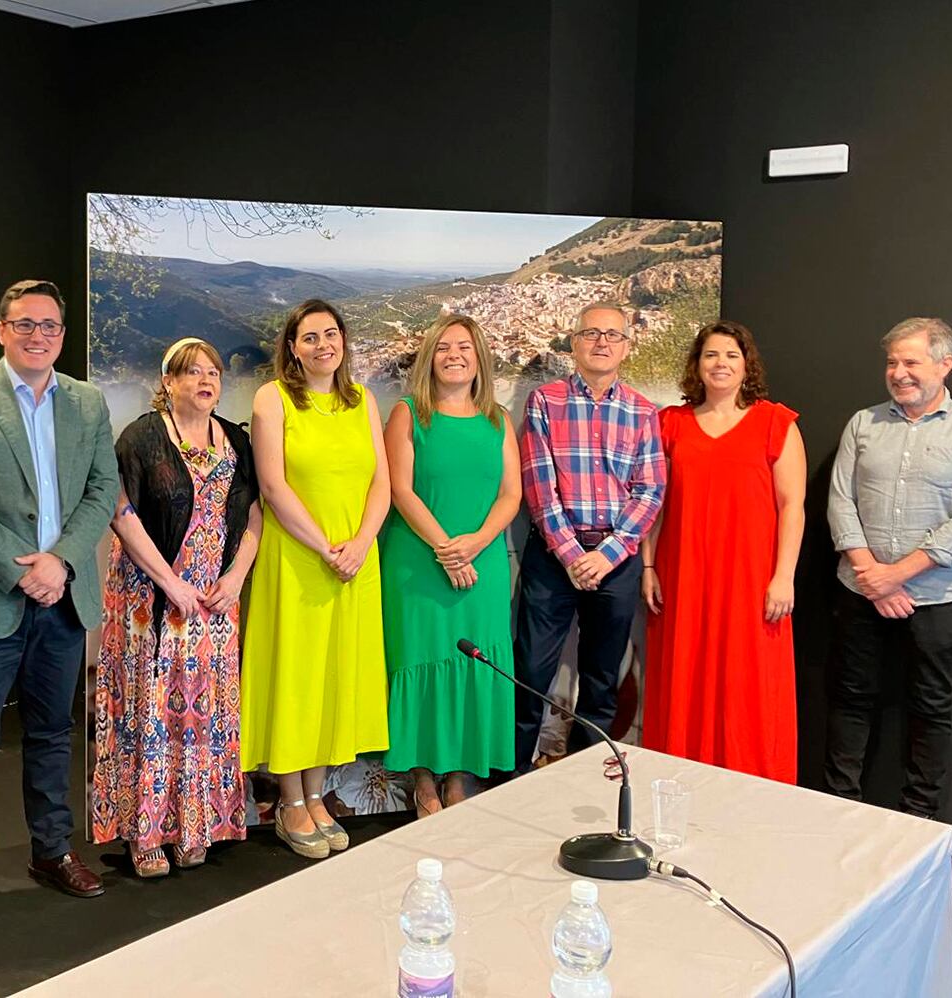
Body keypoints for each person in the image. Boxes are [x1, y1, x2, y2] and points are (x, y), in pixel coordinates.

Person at [0, 279, 118, 921]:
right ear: (2, 330)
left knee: (52, 733)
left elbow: (101, 490)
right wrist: (25, 570)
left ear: (62, 335)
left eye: (50, 326)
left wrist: (60, 563)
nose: (38, 335)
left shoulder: (87, 403)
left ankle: (52, 850)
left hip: (63, 597)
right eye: (25, 324)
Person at [90, 337, 262, 877]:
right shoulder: (141, 437)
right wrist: (169, 582)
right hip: (149, 598)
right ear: (168, 382)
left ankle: (195, 823)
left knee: (204, 714)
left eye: (212, 372)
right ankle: (144, 834)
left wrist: (235, 577)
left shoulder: (235, 439)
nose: (204, 380)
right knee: (149, 709)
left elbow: (253, 512)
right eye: (190, 372)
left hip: (214, 599)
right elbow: (120, 512)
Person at [824, 317, 952, 818]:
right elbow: (841, 502)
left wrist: (895, 575)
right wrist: (872, 577)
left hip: (936, 598)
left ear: (945, 364)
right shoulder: (863, 424)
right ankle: (840, 809)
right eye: (892, 362)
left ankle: (918, 817)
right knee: (850, 701)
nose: (898, 372)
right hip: (859, 590)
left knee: (930, 708)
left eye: (910, 362)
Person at [239, 298, 390, 858]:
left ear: (343, 341)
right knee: (298, 678)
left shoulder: (363, 401)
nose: (323, 344)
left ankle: (318, 791)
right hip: (300, 559)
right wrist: (327, 548)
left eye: (331, 334)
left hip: (355, 561)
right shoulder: (272, 399)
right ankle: (290, 799)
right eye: (310, 337)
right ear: (292, 348)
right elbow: (273, 487)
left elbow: (383, 483)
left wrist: (361, 543)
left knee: (335, 678)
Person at [639, 321, 805, 782]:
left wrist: (783, 575)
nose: (721, 364)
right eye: (711, 355)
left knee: (749, 684)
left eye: (731, 355)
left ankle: (750, 784)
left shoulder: (776, 423)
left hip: (751, 577)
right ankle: (680, 780)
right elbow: (653, 502)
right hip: (684, 572)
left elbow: (793, 505)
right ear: (697, 365)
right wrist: (648, 565)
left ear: (746, 364)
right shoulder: (670, 424)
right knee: (683, 676)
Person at [515, 301, 665, 771]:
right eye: (592, 333)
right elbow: (538, 487)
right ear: (574, 342)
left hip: (615, 561)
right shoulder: (545, 401)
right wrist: (571, 554)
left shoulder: (643, 412)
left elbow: (650, 490)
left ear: (626, 345)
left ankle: (581, 774)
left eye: (612, 335)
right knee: (531, 672)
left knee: (601, 679)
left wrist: (607, 555)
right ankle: (514, 774)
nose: (602, 342)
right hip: (552, 558)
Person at [381, 315, 521, 813]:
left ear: (479, 356)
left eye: (464, 346)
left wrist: (477, 543)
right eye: (443, 347)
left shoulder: (498, 419)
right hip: (418, 565)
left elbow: (512, 494)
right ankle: (422, 781)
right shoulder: (407, 413)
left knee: (474, 664)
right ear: (429, 358)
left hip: (481, 568)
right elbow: (400, 490)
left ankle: (460, 780)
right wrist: (446, 548)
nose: (454, 355)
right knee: (419, 658)